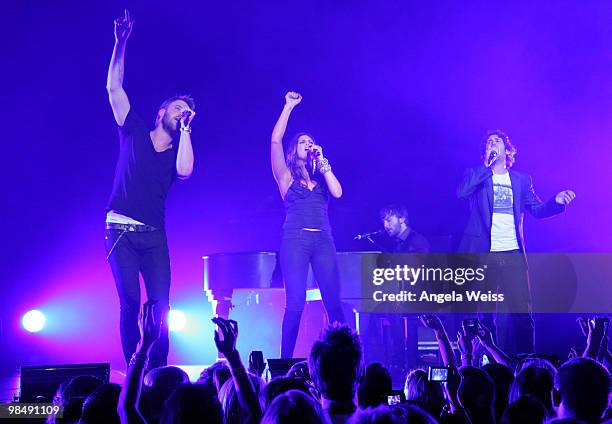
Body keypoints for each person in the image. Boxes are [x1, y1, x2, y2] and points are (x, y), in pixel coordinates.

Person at [104, 10, 196, 369]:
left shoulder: (179, 151)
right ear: (161, 113)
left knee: (161, 306)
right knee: (130, 304)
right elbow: (114, 88)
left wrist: (187, 130)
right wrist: (120, 43)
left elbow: (186, 172)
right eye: (178, 109)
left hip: (155, 236)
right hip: (120, 232)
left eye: (187, 112)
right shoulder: (134, 131)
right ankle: (134, 371)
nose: (182, 113)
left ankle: (160, 373)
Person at [457, 129, 575, 354]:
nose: (493, 143)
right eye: (489, 142)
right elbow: (462, 192)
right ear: (485, 152)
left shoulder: (521, 180)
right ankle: (489, 361)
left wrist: (555, 202)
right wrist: (486, 166)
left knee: (522, 313)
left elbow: (537, 209)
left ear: (507, 149)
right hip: (486, 255)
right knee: (485, 314)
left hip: (513, 254)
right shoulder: (478, 175)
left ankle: (526, 363)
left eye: (498, 140)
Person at [271, 91, 345, 358]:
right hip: (296, 240)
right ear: (295, 148)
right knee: (295, 303)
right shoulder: (286, 175)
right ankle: (285, 362)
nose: (308, 144)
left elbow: (337, 192)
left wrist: (323, 161)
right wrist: (288, 107)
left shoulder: (320, 175)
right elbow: (275, 140)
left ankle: (345, 357)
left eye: (311, 141)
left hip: (323, 239)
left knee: (333, 302)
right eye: (303, 141)